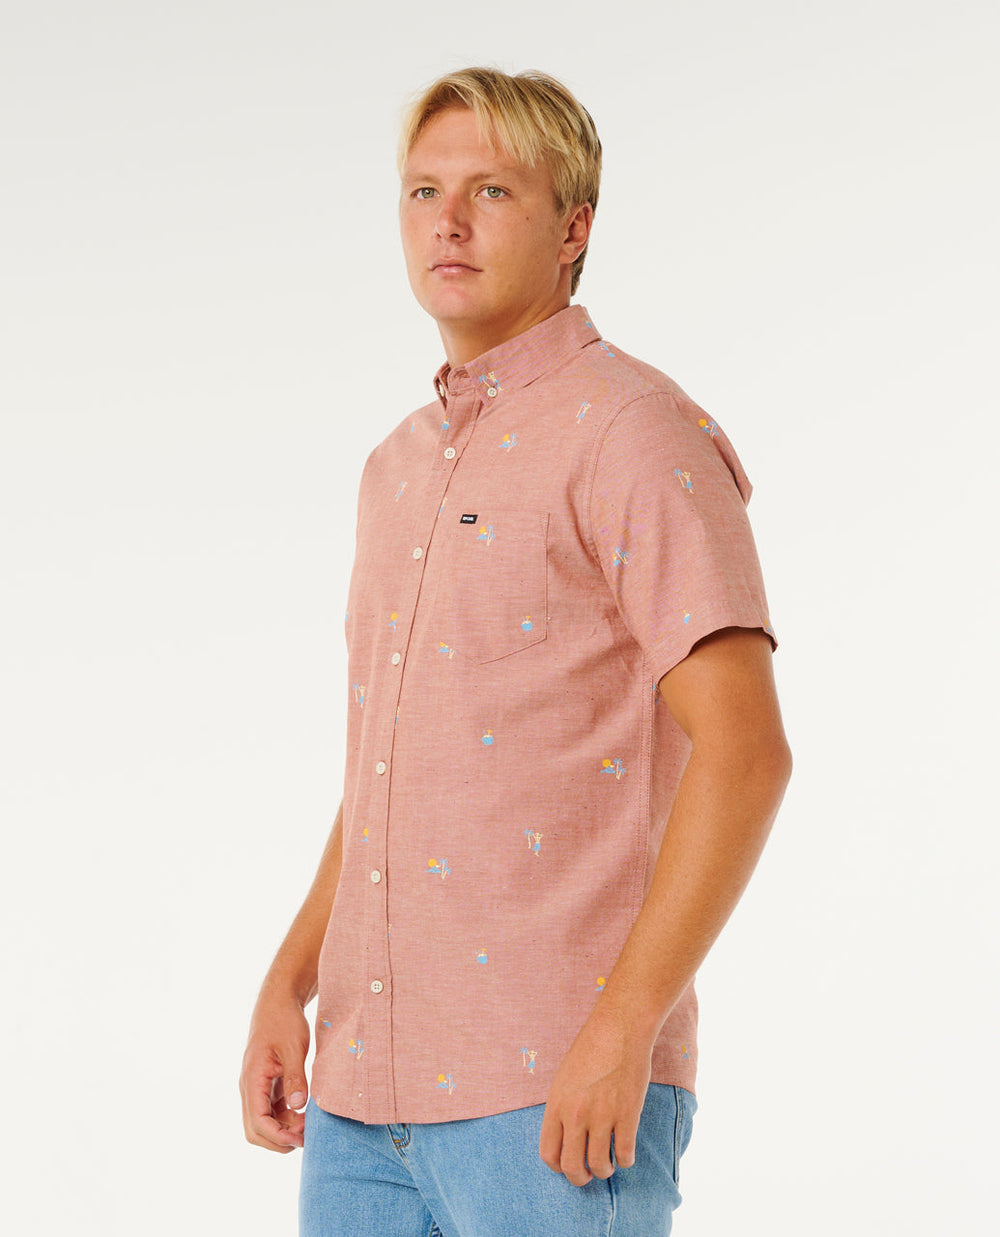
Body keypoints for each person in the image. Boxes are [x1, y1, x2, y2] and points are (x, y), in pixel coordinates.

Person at [240, 66, 792, 1237]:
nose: (446, 220)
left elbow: (747, 754)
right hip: (360, 1102)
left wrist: (624, 1027)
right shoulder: (394, 467)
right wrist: (290, 980)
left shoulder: (635, 434)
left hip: (553, 1092)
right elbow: (389, 773)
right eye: (422, 190)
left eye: (490, 190)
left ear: (572, 228)